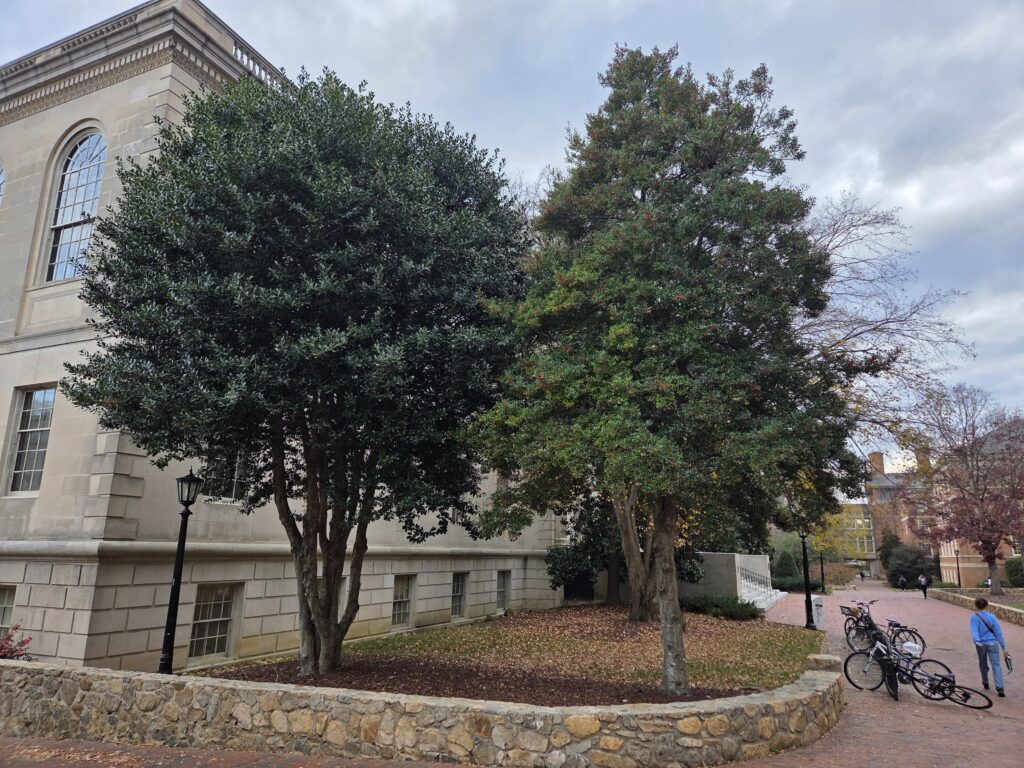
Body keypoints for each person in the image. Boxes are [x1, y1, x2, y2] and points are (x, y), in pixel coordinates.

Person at [971, 597, 1008, 697]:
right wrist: (1004, 647)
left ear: (976, 605)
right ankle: (1000, 688)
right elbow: (998, 633)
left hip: (981, 645)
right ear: (986, 605)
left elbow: (974, 631)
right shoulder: (992, 617)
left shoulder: (974, 617)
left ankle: (985, 682)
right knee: (996, 665)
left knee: (982, 664)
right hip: (993, 644)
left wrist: (977, 641)